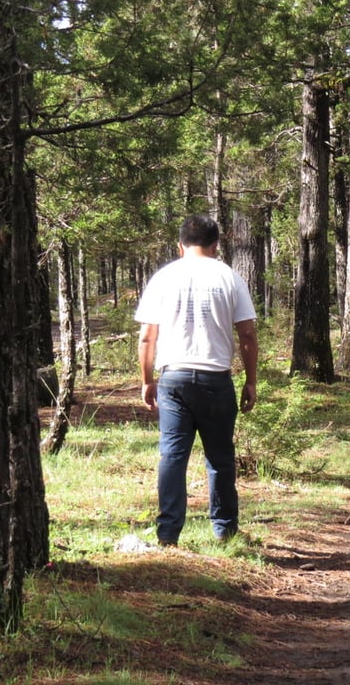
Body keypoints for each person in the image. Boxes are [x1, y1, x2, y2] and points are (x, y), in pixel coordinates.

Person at [136, 215, 259, 547]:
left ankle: (168, 533)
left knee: (172, 456)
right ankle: (224, 530)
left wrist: (147, 380)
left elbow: (147, 337)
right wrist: (251, 381)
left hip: (173, 378)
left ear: (180, 245)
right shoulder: (229, 277)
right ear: (216, 244)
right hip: (216, 378)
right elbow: (247, 333)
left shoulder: (163, 278)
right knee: (220, 457)